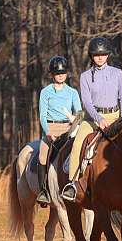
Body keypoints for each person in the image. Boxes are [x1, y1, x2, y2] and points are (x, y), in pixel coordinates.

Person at [61, 36, 122, 201]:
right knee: (78, 142)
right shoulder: (85, 77)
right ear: (92, 56)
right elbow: (87, 102)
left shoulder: (117, 73)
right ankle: (73, 183)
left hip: (116, 116)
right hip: (93, 118)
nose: (100, 57)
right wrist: (98, 119)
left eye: (103, 54)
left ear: (108, 55)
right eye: (97, 54)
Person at [36, 55, 82, 206]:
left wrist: (75, 121)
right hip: (51, 127)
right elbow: (42, 115)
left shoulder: (72, 92)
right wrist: (47, 132)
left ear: (67, 73)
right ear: (52, 74)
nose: (60, 75)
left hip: (69, 128)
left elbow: (79, 113)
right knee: (43, 155)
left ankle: (74, 186)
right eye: (57, 73)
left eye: (62, 73)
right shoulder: (45, 92)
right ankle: (43, 192)